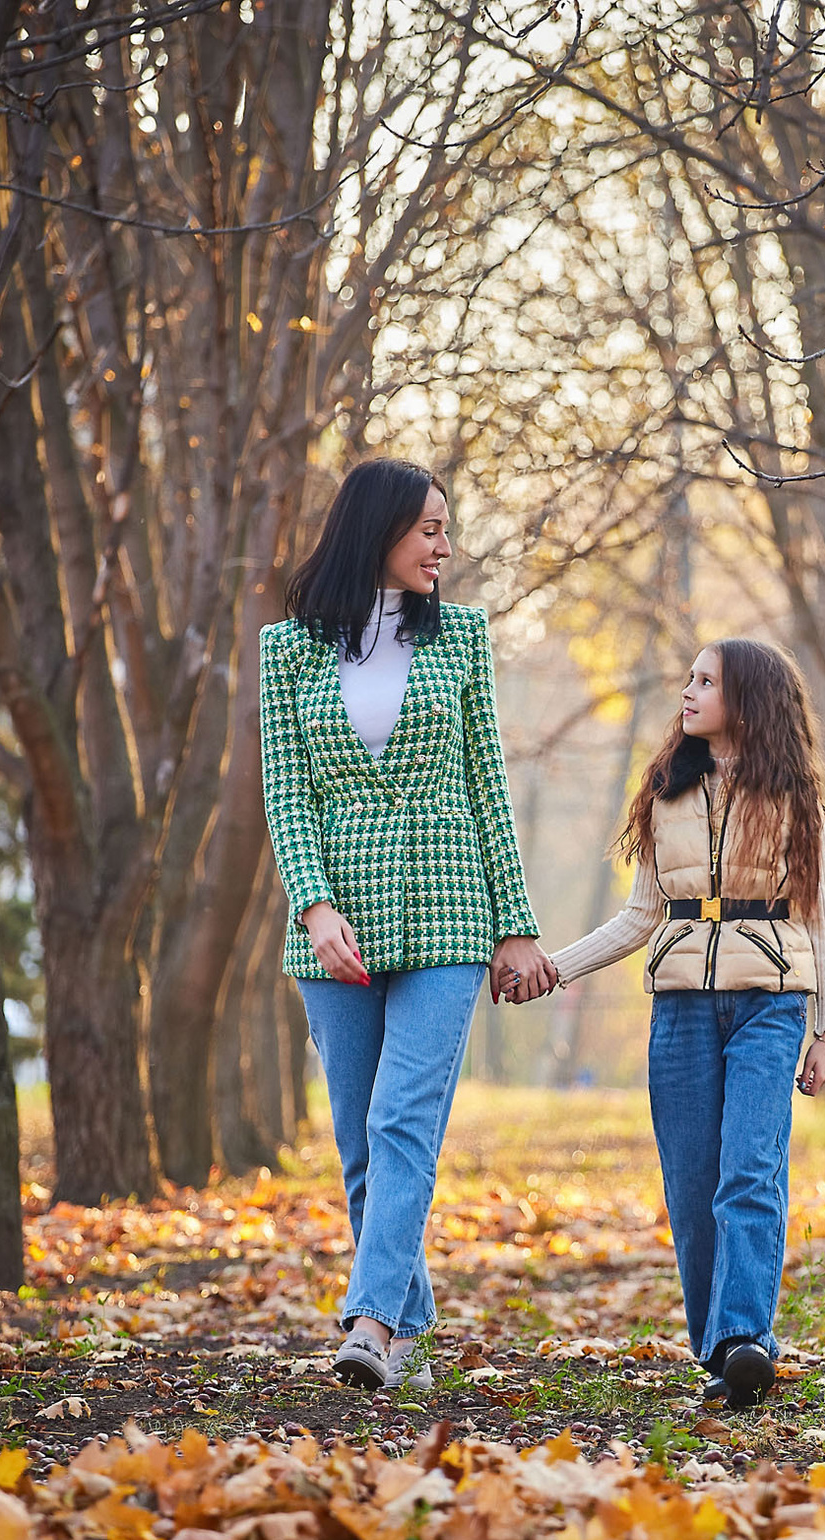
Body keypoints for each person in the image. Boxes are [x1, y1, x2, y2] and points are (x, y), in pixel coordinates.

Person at [258, 458, 556, 1392]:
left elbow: (487, 786)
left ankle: (371, 1323)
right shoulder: (287, 649)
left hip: (448, 910)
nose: (444, 545)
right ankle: (408, 1333)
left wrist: (517, 924)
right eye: (429, 527)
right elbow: (285, 791)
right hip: (335, 924)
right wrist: (313, 907)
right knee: (358, 1140)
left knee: (402, 1124)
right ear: (377, 528)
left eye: (447, 527)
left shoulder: (463, 638)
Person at [538, 639, 825, 1409]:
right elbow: (640, 916)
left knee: (749, 1171)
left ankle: (745, 1337)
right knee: (691, 1183)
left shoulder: (796, 800)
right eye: (688, 678)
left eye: (706, 681)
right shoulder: (666, 792)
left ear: (748, 699)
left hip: (771, 1005)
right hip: (678, 1007)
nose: (689, 690)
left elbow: (822, 920)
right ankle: (720, 1349)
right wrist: (553, 968)